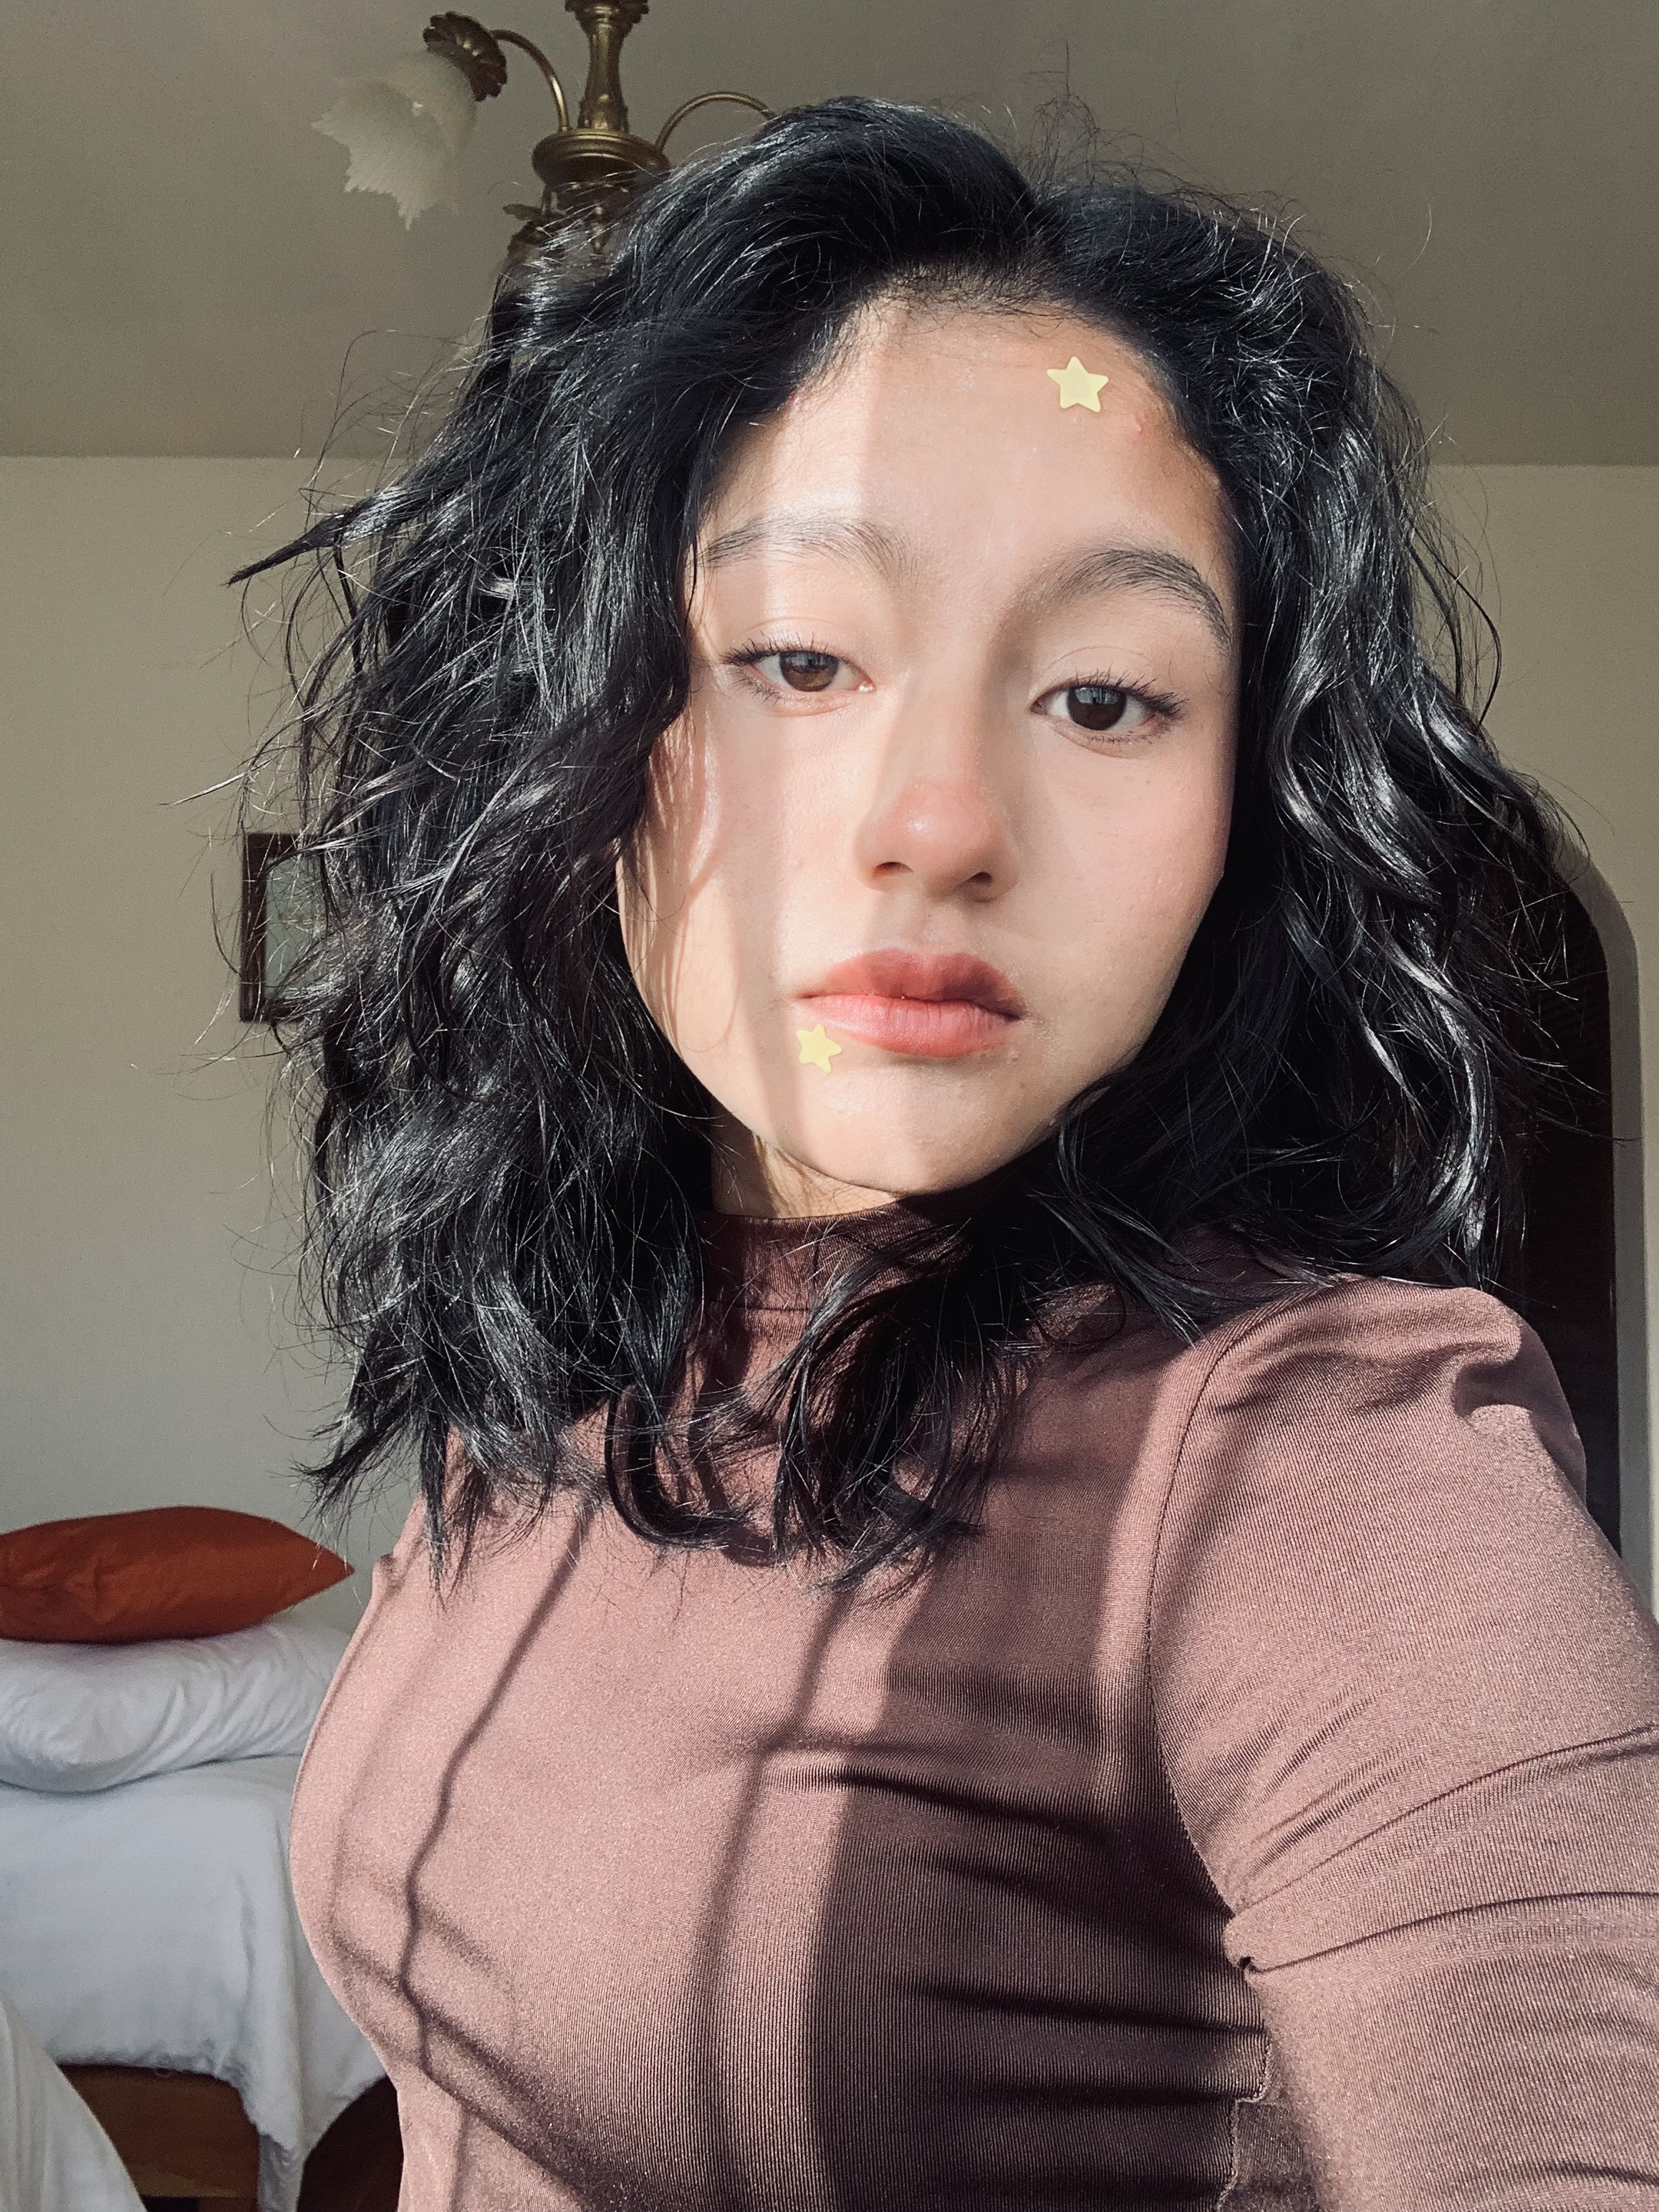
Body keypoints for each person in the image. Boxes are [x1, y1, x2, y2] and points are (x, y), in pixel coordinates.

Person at [264, 97, 1659, 2210]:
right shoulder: (557, 1358)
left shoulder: (1324, 1461)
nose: (939, 823)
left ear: (1245, 814)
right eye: (795, 657)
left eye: (1104, 698)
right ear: (581, 722)